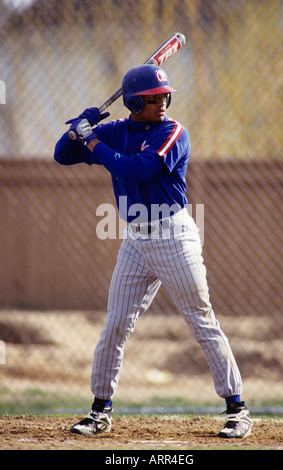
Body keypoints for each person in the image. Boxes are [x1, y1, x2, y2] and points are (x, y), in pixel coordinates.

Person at [54, 64, 253, 439]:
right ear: (132, 101)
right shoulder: (115, 131)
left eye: (165, 96)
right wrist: (82, 124)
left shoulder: (173, 132)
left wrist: (92, 142)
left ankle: (237, 409)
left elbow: (133, 171)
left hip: (174, 236)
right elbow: (63, 155)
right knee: (115, 324)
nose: (163, 102)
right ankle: (100, 410)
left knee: (202, 321)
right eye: (153, 98)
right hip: (135, 240)